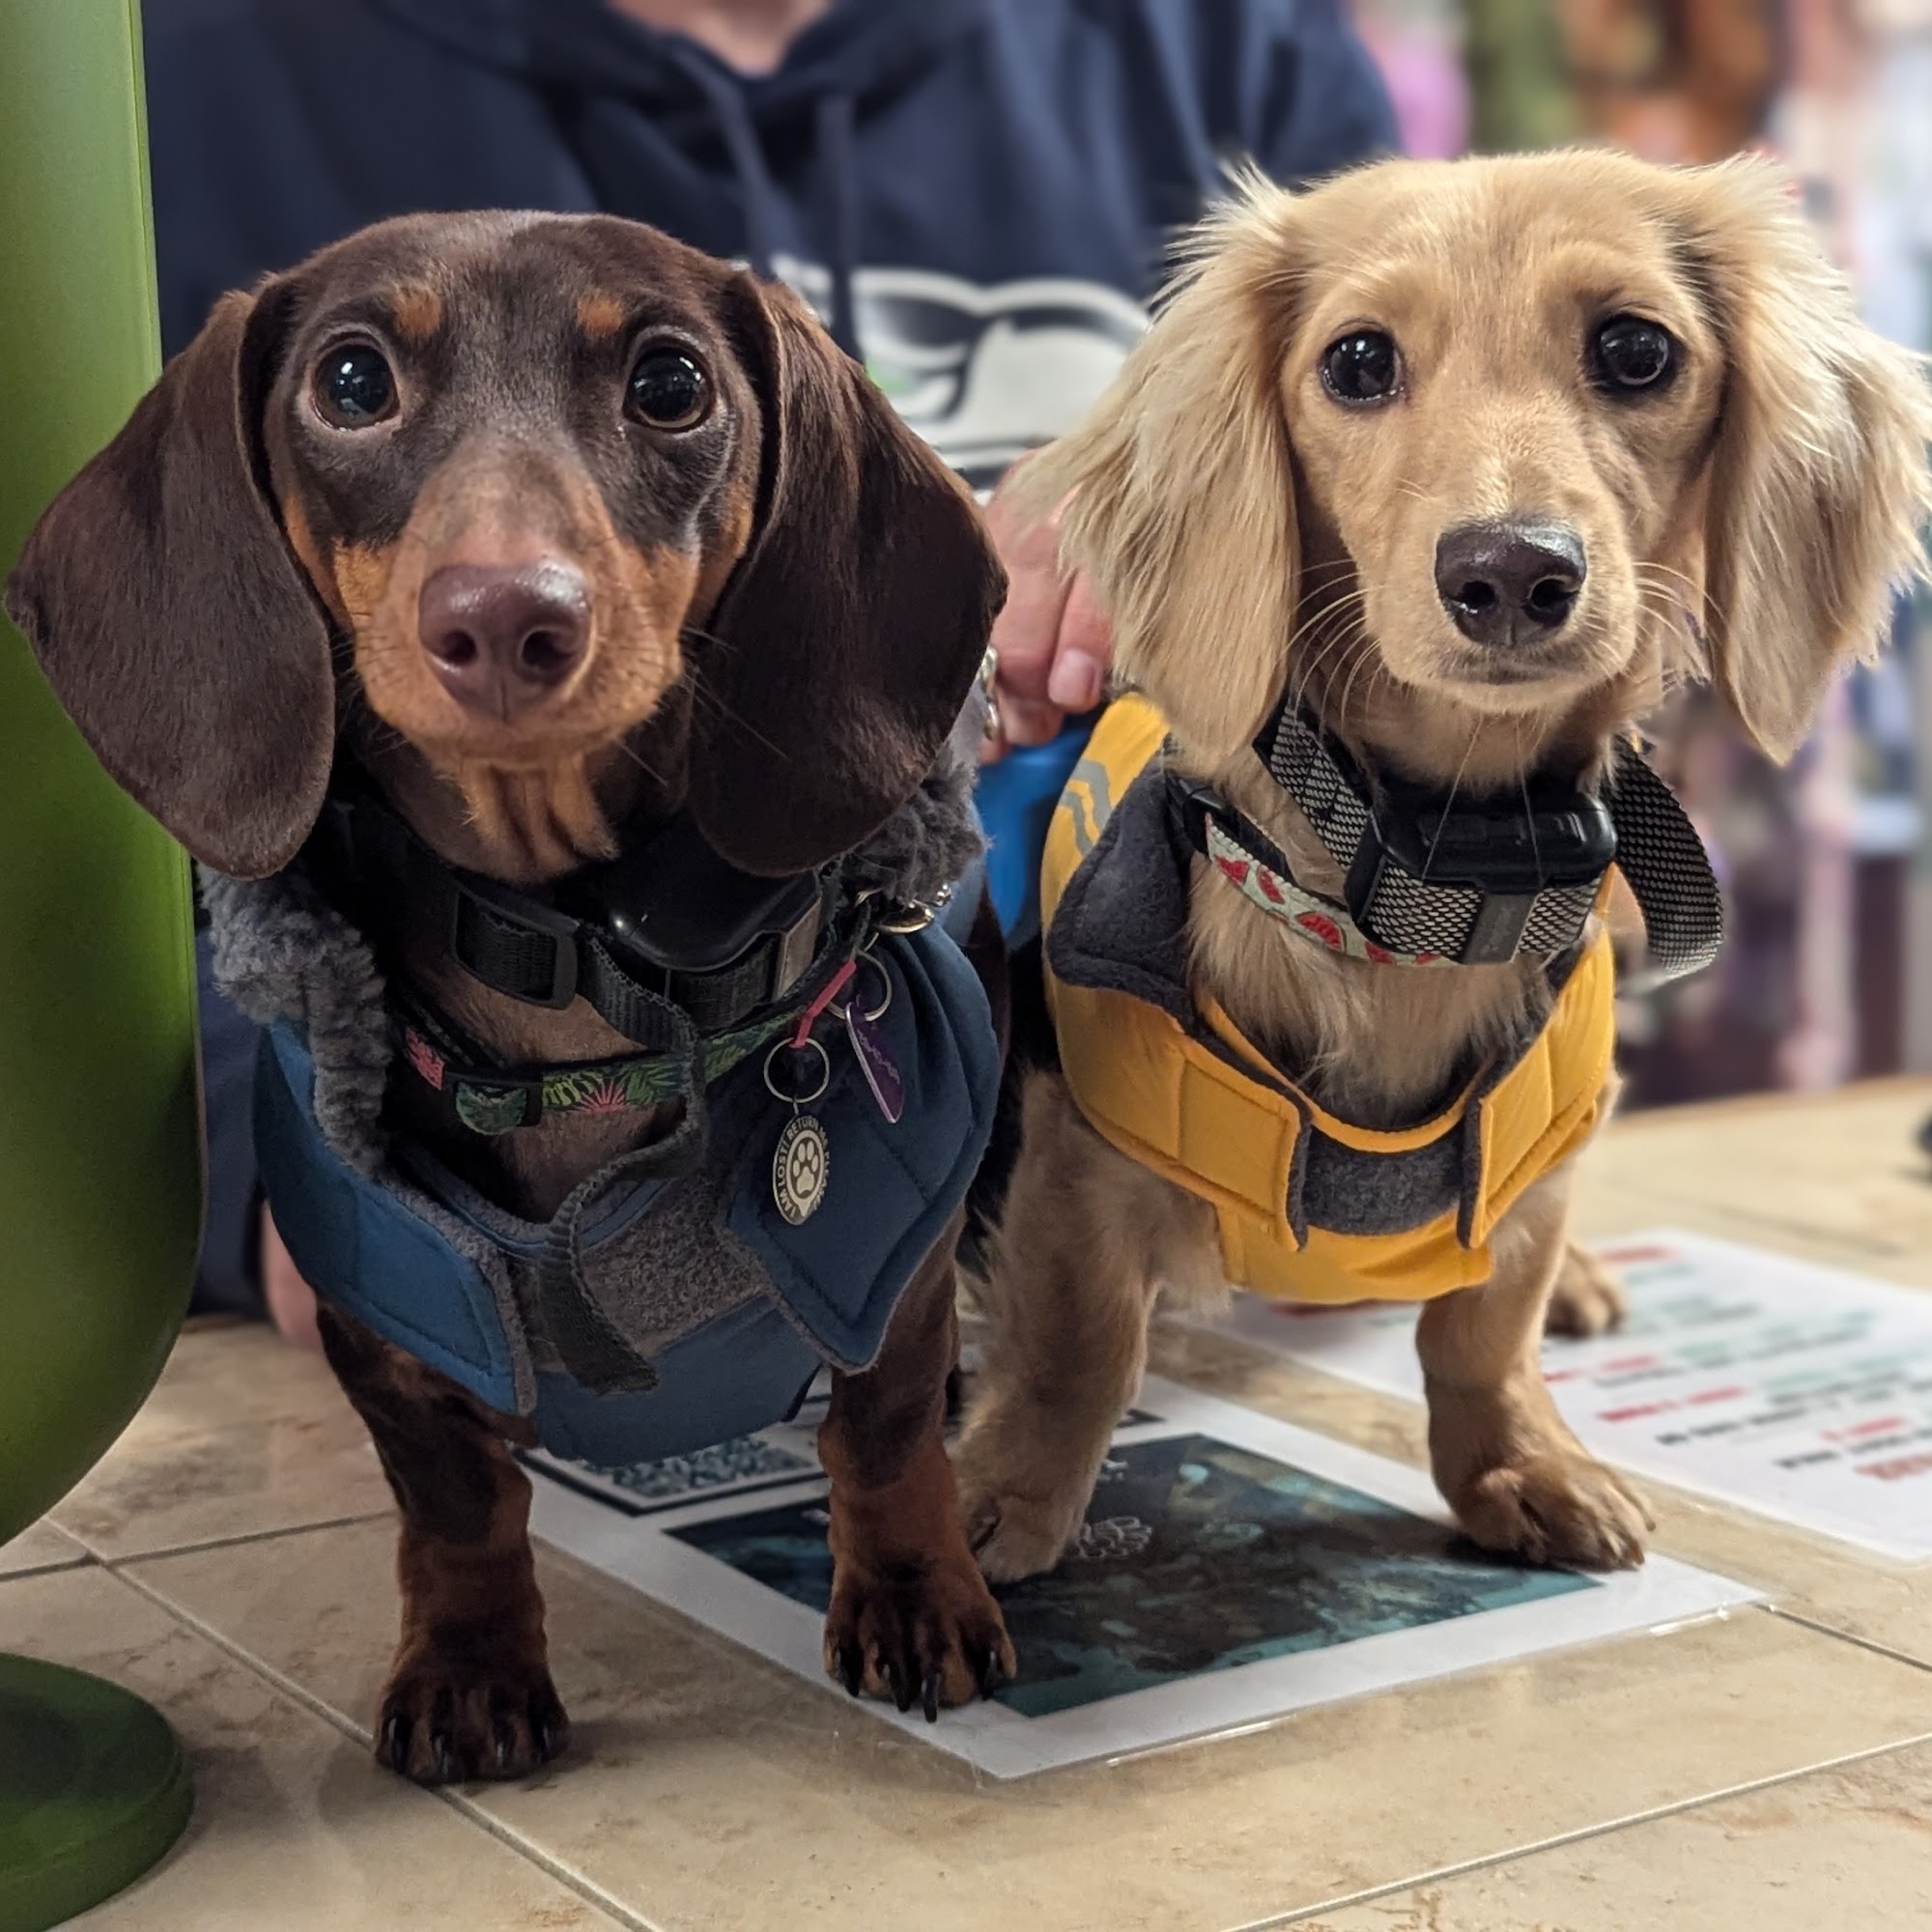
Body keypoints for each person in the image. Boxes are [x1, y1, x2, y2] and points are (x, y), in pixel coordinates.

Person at [143, 0, 1397, 1332]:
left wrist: (1206, 519)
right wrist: (271, 1153)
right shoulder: (177, 90)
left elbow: (1512, 569)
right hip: (496, 1241)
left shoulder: (1230, 46)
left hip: (1214, 1213)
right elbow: (107, 685)